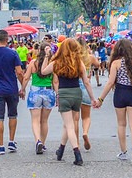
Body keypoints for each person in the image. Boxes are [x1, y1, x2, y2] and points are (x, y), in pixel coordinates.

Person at [41, 38, 96, 166]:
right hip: (77, 94)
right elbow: (86, 82)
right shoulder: (78, 62)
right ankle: (60, 149)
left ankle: (77, 154)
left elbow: (43, 71)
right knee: (68, 124)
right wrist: (92, 98)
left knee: (69, 125)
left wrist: (47, 56)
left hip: (64, 94)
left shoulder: (57, 62)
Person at [96, 38, 132, 165]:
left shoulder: (115, 63)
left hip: (120, 93)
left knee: (121, 124)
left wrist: (101, 99)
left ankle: (123, 152)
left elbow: (110, 83)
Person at [22, 44, 56, 154]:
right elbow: (55, 81)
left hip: (35, 92)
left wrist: (22, 89)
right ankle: (43, 143)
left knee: (35, 120)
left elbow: (26, 77)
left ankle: (38, 141)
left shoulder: (33, 63)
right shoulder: (52, 64)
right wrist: (58, 94)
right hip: (48, 92)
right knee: (44, 121)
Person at [76, 37, 100, 150]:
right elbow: (98, 65)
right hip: (85, 87)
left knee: (74, 119)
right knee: (86, 117)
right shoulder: (89, 57)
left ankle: (76, 143)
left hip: (74, 87)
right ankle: (85, 132)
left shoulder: (73, 58)